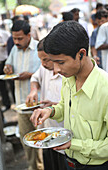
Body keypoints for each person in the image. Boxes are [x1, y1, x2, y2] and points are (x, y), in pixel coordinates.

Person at [30, 21, 108, 170]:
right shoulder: (68, 79)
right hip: (70, 161)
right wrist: (51, 111)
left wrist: (75, 144)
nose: (57, 69)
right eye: (53, 62)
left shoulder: (105, 89)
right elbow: (66, 107)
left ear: (81, 54)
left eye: (61, 62)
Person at [3, 20, 43, 170]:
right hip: (21, 104)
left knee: (42, 140)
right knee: (26, 141)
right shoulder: (15, 49)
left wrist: (30, 75)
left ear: (29, 35)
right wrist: (7, 68)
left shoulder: (40, 48)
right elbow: (9, 65)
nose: (16, 42)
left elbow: (48, 72)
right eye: (14, 38)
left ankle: (42, 166)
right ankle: (33, 167)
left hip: (38, 105)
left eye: (20, 38)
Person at [26, 39, 66, 170]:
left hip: (63, 135)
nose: (43, 64)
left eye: (47, 60)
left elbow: (72, 104)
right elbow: (35, 78)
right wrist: (33, 90)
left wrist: (53, 107)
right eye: (41, 60)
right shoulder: (45, 68)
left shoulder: (67, 73)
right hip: (46, 133)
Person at [0, 18, 11, 112]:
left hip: (6, 61)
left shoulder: (5, 34)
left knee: (11, 82)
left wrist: (6, 44)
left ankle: (14, 103)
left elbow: (11, 44)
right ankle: (6, 104)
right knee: (1, 85)